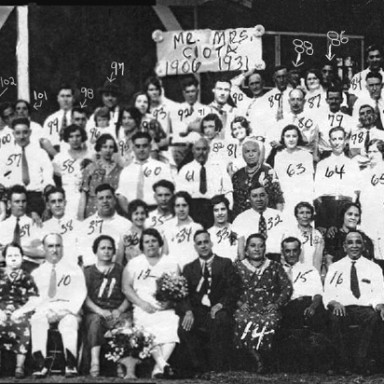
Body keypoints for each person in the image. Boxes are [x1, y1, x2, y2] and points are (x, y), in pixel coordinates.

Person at [24, 233, 87, 377]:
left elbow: (80, 293)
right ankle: (40, 364)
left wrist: (66, 311)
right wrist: (46, 312)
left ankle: (70, 364)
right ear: (44, 249)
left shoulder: (73, 269)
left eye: (58, 246)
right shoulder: (37, 272)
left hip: (68, 310)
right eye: (50, 246)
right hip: (46, 310)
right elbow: (36, 298)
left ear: (63, 247)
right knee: (37, 320)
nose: (54, 250)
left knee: (69, 322)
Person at [178, 230, 240, 375]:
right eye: (199, 243)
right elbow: (183, 294)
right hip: (197, 310)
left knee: (221, 320)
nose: (203, 246)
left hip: (218, 308)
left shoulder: (224, 263)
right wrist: (188, 311)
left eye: (206, 242)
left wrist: (221, 305)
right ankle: (200, 368)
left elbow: (233, 289)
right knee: (184, 326)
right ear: (195, 247)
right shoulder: (189, 268)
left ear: (211, 243)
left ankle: (218, 368)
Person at [323, 230, 384, 375]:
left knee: (375, 318)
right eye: (350, 242)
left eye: (358, 242)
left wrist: (380, 305)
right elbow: (328, 293)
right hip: (343, 308)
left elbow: (379, 292)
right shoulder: (335, 267)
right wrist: (334, 303)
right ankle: (343, 364)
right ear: (344, 246)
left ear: (363, 246)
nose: (354, 246)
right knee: (334, 318)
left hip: (365, 309)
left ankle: (361, 362)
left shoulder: (373, 268)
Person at [123, 228, 180, 379]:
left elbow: (178, 287)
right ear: (142, 245)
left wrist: (169, 302)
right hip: (143, 307)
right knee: (147, 328)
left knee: (172, 323)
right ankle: (164, 365)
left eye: (154, 241)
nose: (151, 245)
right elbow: (126, 288)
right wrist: (142, 303)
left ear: (160, 243)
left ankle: (158, 369)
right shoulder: (134, 263)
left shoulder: (170, 262)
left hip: (164, 308)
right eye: (147, 242)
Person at [233, 234, 292, 372]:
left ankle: (265, 359)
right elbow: (230, 289)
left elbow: (286, 288)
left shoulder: (274, 266)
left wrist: (276, 304)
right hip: (246, 307)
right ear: (246, 249)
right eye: (253, 246)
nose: (257, 249)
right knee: (242, 320)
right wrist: (240, 303)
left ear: (265, 248)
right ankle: (253, 358)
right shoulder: (238, 267)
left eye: (261, 246)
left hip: (267, 307)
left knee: (269, 322)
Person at [83, 235, 130, 377]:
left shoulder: (121, 270)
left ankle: (120, 363)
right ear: (95, 251)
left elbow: (129, 293)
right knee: (95, 322)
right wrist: (100, 311)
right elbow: (84, 297)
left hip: (117, 310)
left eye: (110, 248)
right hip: (96, 311)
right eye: (102, 248)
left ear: (114, 251)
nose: (106, 251)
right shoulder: (88, 271)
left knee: (124, 323)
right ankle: (95, 362)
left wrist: (119, 310)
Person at [0, 117, 55, 217]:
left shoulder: (40, 153)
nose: (21, 136)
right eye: (18, 133)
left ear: (30, 132)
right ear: (13, 134)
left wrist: (47, 188)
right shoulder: (5, 153)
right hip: (13, 196)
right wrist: (4, 184)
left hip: (35, 195)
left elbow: (48, 174)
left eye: (25, 132)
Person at [176, 137, 233, 229]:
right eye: (198, 149)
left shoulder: (218, 167)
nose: (201, 153)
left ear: (209, 150)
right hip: (193, 209)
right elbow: (179, 194)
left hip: (213, 207)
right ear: (193, 150)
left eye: (204, 149)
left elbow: (228, 190)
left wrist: (228, 210)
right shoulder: (185, 169)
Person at [0, 243, 38, 378]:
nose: (13, 258)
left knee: (24, 325)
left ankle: (19, 367)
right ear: (4, 258)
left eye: (17, 255)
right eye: (10, 255)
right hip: (1, 310)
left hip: (20, 310)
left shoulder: (27, 277)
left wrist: (20, 312)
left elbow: (34, 299)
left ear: (22, 258)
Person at [314, 127, 361, 231]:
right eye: (334, 139)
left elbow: (356, 191)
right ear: (330, 141)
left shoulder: (352, 164)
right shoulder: (322, 164)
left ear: (345, 141)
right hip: (327, 205)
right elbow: (317, 190)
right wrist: (323, 207)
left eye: (340, 139)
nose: (337, 143)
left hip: (346, 204)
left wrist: (349, 206)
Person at [116, 132, 173, 213]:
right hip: (133, 212)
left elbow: (170, 191)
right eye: (138, 146)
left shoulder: (162, 167)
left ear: (150, 147)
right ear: (133, 148)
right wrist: (131, 214)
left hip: (156, 211)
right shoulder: (126, 170)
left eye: (144, 146)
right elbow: (121, 196)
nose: (141, 149)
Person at [78, 184, 131, 267]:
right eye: (101, 198)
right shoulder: (85, 225)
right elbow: (80, 254)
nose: (105, 201)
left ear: (114, 200)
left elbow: (131, 257)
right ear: (96, 202)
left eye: (108, 197)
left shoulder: (126, 225)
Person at [280, 237, 326, 331]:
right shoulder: (277, 271)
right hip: (288, 307)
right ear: (283, 252)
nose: (291, 254)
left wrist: (312, 307)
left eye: (295, 251)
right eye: (288, 251)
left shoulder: (310, 269)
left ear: (300, 251)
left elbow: (318, 293)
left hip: (309, 303)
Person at [232, 182, 285, 261]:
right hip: (251, 260)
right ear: (249, 198)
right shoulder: (241, 219)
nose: (259, 199)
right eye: (254, 196)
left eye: (262, 195)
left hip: (276, 259)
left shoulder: (279, 216)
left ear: (267, 196)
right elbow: (239, 249)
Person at [232, 139, 284, 219]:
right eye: (247, 152)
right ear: (243, 155)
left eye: (254, 151)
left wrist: (277, 219)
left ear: (259, 153)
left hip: (265, 218)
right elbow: (235, 203)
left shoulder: (269, 172)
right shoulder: (237, 175)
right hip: (244, 220)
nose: (251, 154)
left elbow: (278, 199)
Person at [273, 125, 315, 220]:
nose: (291, 139)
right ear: (283, 138)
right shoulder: (279, 157)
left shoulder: (306, 156)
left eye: (294, 136)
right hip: (286, 198)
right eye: (288, 136)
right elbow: (277, 181)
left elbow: (309, 182)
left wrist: (310, 201)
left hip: (303, 196)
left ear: (298, 138)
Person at [0, 185, 44, 272]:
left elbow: (43, 253)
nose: (21, 205)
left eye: (23, 201)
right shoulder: (2, 226)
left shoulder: (34, 223)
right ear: (9, 204)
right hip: (7, 268)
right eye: (17, 202)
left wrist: (19, 249)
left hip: (30, 266)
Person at [78, 133, 122, 220]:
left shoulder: (120, 170)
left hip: (112, 213)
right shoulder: (90, 168)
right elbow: (83, 195)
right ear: (99, 149)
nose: (108, 150)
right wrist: (81, 218)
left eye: (111, 147)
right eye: (105, 147)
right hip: (92, 211)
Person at [52, 124, 91, 219]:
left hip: (87, 196)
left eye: (78, 136)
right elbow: (56, 183)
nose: (75, 139)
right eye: (71, 136)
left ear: (82, 137)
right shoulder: (59, 158)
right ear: (67, 139)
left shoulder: (90, 155)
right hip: (67, 197)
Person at [161, 191, 203, 269]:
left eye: (184, 205)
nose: (181, 209)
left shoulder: (197, 227)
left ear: (189, 206)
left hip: (193, 270)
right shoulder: (168, 226)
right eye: (177, 206)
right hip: (173, 270)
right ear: (173, 207)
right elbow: (164, 253)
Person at [40, 187, 81, 263]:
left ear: (65, 202)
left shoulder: (77, 225)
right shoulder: (44, 227)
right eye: (53, 202)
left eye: (60, 201)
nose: (57, 205)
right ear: (48, 205)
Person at [281, 202, 324, 273]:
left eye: (308, 213)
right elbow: (283, 258)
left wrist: (315, 276)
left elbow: (318, 259)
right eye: (301, 213)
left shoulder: (317, 235)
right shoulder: (289, 234)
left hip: (311, 275)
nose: (305, 216)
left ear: (312, 215)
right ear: (296, 215)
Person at [359, 140, 384, 258]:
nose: (372, 154)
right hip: (368, 215)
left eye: (376, 151)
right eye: (369, 151)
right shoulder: (363, 172)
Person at [316, 87, 354, 160]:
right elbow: (315, 140)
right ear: (327, 100)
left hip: (343, 154)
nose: (334, 101)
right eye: (331, 99)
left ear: (341, 100)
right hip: (325, 154)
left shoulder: (349, 119)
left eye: (337, 99)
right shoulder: (319, 118)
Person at [43, 84, 74, 153]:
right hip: (54, 154)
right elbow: (45, 141)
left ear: (73, 98)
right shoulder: (50, 119)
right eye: (62, 96)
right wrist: (57, 157)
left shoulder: (79, 118)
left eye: (68, 96)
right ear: (58, 98)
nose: (65, 99)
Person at [207, 195, 238, 262]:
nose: (220, 213)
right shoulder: (207, 233)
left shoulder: (236, 230)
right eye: (216, 210)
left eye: (223, 209)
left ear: (227, 210)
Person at [121, 199, 148, 264]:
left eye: (142, 213)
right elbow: (120, 259)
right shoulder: (125, 235)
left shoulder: (150, 233)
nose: (140, 216)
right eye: (136, 213)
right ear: (131, 215)